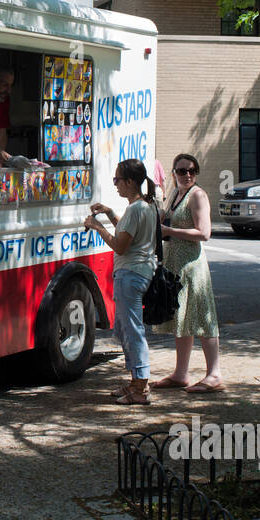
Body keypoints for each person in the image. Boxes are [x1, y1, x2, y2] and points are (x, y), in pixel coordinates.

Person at [85, 158, 158, 405]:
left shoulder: (136, 209)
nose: (115, 184)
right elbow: (128, 233)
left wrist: (96, 226)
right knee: (124, 329)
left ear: (129, 182)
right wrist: (109, 214)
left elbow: (120, 245)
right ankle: (135, 382)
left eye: (117, 179)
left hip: (130, 275)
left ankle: (141, 388)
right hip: (139, 273)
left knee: (133, 331)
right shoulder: (144, 206)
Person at [152, 153, 223, 393]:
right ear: (173, 173)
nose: (187, 175)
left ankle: (214, 374)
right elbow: (163, 221)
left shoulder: (198, 195)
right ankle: (181, 373)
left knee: (203, 317)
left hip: (192, 267)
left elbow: (204, 233)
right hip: (176, 265)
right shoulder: (175, 194)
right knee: (182, 319)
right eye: (182, 171)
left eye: (192, 170)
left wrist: (169, 230)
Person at [0, 67, 16, 166]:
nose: (9, 91)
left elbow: (1, 133)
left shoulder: (4, 100)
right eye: (5, 85)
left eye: (11, 85)